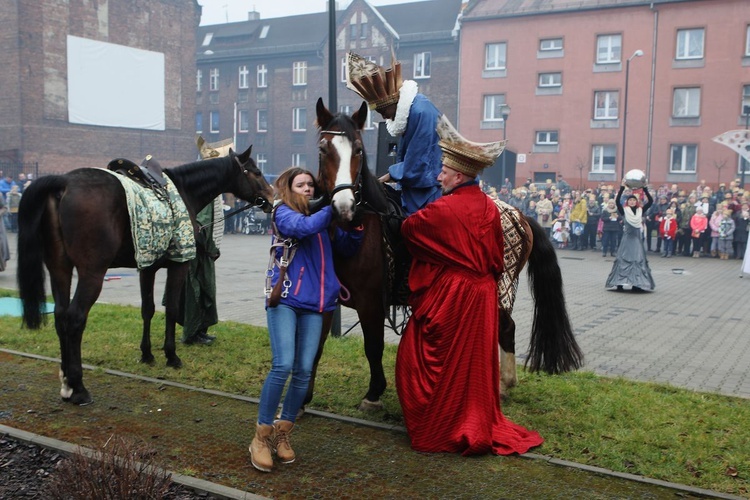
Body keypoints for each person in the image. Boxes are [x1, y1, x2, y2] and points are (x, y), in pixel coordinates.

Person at [396, 115, 543, 456]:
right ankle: (475, 416)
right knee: (474, 362)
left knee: (417, 354)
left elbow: (408, 231)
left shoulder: (441, 210)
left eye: (443, 172)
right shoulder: (490, 209)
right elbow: (494, 255)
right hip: (483, 294)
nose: (438, 176)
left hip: (455, 295)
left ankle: (441, 423)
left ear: (458, 175)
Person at [251, 167, 363, 472]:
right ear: (287, 188)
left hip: (317, 305)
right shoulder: (283, 213)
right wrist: (334, 206)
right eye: (301, 184)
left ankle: (282, 435)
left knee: (303, 370)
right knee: (283, 365)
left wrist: (354, 220)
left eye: (311, 185)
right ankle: (261, 437)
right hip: (286, 299)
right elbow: (304, 227)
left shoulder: (321, 220)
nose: (308, 189)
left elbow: (348, 245)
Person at [345, 51, 442, 216]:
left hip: (430, 192)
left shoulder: (420, 112)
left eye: (383, 110)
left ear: (393, 101)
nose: (383, 116)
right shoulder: (412, 111)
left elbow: (419, 163)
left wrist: (391, 175)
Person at [605, 178, 655, 292]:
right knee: (623, 259)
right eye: (630, 200)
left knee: (637, 260)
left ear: (636, 202)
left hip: (636, 239)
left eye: (634, 200)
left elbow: (651, 202)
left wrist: (645, 189)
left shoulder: (640, 211)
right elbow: (617, 201)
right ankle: (619, 284)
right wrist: (622, 187)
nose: (632, 202)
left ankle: (636, 284)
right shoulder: (624, 211)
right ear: (628, 202)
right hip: (627, 239)